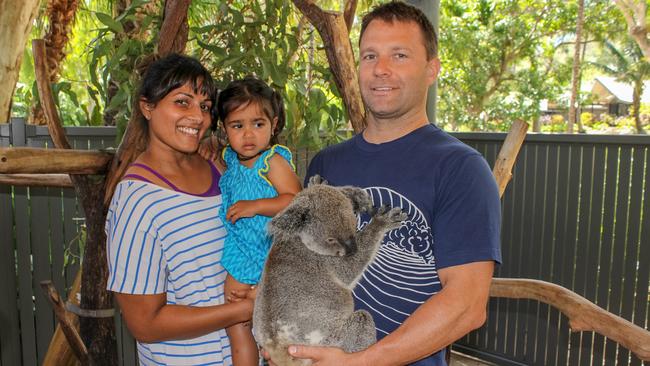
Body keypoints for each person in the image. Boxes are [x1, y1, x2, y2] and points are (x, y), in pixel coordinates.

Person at [276, 2, 502, 365]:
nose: (380, 70)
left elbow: (467, 305)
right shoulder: (327, 163)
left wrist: (360, 362)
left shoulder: (460, 169)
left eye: (399, 55)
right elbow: (299, 264)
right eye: (369, 56)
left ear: (432, 70)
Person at [106, 53, 253, 366]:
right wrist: (244, 310)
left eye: (204, 106)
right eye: (182, 102)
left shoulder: (219, 168)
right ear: (147, 107)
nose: (198, 117)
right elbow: (145, 323)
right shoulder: (137, 201)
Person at [216, 76, 302, 365]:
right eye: (237, 126)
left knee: (276, 333)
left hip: (271, 255)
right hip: (240, 253)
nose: (248, 135)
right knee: (236, 324)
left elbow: (296, 200)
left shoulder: (273, 161)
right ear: (224, 129)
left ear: (274, 124)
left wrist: (257, 205)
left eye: (258, 124)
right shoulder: (229, 158)